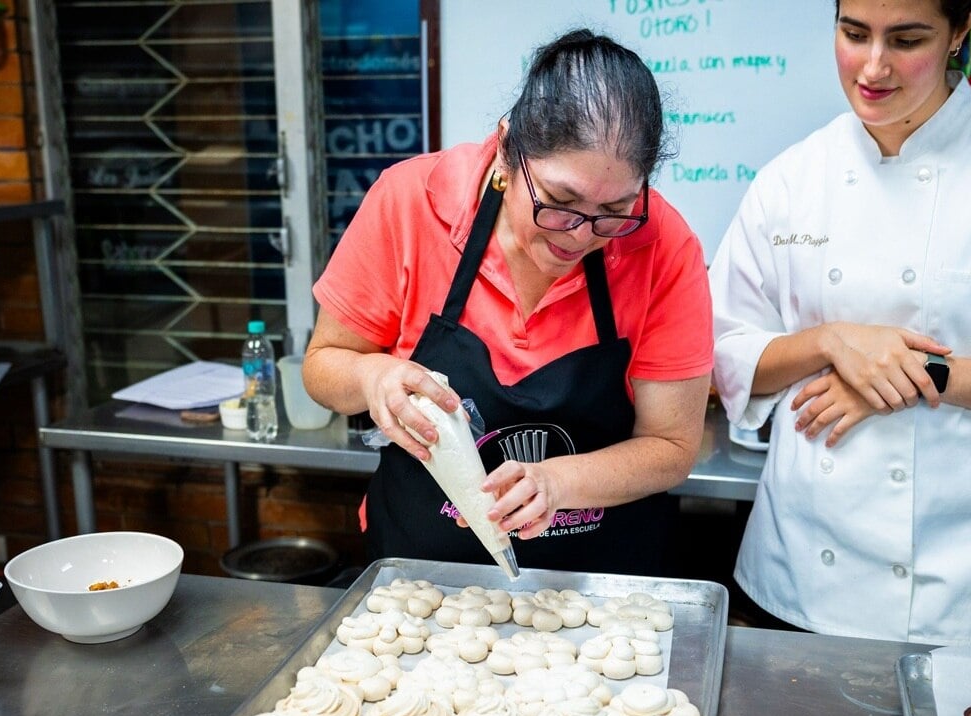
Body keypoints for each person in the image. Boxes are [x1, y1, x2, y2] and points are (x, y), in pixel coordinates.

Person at [708, 0, 971, 646]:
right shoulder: (793, 180)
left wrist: (919, 375)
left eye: (906, 40)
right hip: (797, 575)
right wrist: (831, 342)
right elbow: (720, 350)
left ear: (962, 29)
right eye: (854, 34)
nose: (872, 67)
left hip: (960, 592)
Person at [304, 29, 713, 576]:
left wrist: (555, 482)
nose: (579, 235)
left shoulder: (663, 246)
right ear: (504, 149)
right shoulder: (410, 203)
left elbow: (671, 446)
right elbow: (322, 366)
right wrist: (372, 375)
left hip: (598, 584)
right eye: (560, 201)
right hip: (419, 570)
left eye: (614, 211)